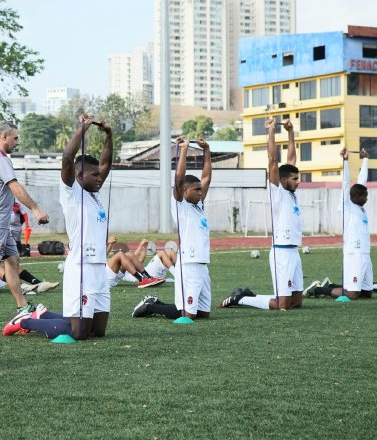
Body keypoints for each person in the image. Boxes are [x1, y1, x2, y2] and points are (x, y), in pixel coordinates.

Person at [0, 122, 50, 324]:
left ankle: (22, 306)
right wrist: (35, 209)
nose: (17, 142)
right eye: (15, 138)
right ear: (4, 136)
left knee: (12, 261)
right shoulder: (0, 159)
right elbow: (14, 186)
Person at [221, 119, 303, 311]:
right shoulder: (278, 192)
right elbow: (273, 161)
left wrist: (290, 133)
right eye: (295, 179)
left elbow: (291, 160)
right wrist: (271, 131)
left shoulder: (291, 193)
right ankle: (240, 299)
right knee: (282, 305)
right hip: (281, 252)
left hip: (294, 252)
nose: (298, 182)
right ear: (282, 180)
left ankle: (251, 296)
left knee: (296, 303)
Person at [132, 137, 212, 319]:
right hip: (189, 265)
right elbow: (178, 178)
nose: (201, 193)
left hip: (202, 265)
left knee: (203, 313)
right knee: (187, 315)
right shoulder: (180, 206)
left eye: (201, 190)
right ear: (184, 191)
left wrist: (206, 151)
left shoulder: (199, 207)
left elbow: (206, 177)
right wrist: (183, 150)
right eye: (196, 190)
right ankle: (151, 307)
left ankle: (157, 305)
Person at [55, 115, 113, 340]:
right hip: (81, 268)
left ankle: (46, 315)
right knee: (79, 334)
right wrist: (83, 129)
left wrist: (109, 134)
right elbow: (67, 157)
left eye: (100, 175)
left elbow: (106, 163)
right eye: (95, 175)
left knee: (98, 332)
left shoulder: (94, 195)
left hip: (99, 268)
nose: (100, 178)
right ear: (79, 176)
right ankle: (29, 320)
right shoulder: (72, 193)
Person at [304, 148, 372, 300]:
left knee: (366, 293)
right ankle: (319, 289)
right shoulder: (347, 206)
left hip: (365, 255)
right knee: (353, 295)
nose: (366, 199)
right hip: (353, 254)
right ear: (354, 196)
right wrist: (346, 161)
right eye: (364, 196)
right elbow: (346, 183)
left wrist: (365, 160)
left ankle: (331, 285)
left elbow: (362, 182)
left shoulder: (360, 208)